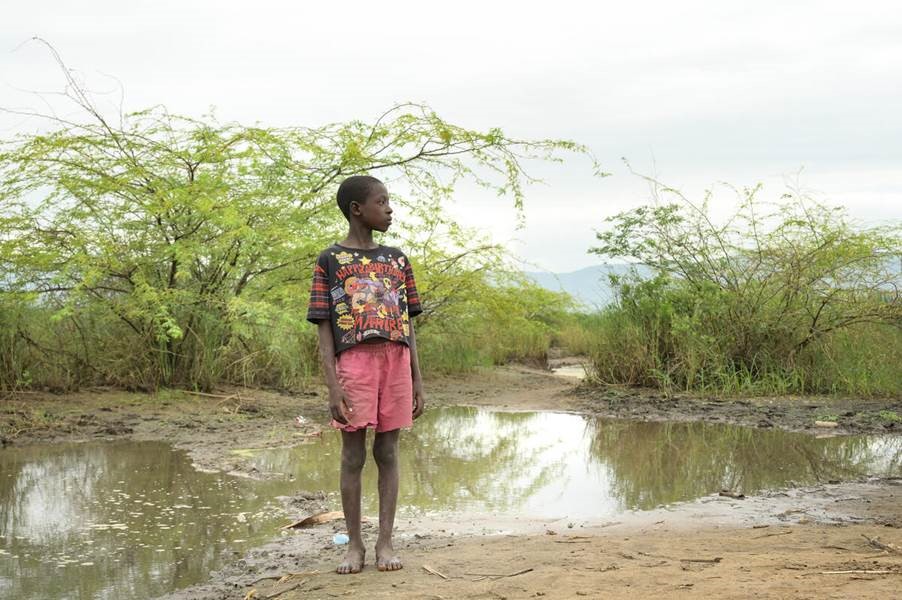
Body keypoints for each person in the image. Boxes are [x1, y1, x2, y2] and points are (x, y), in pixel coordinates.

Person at [306, 175, 425, 574]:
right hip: (353, 361)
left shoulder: (397, 259)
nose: (389, 209)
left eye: (388, 202)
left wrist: (418, 379)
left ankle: (385, 543)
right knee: (353, 454)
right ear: (358, 209)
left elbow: (407, 324)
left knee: (387, 452)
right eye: (382, 201)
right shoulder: (329, 260)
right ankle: (353, 545)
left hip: (395, 361)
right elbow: (323, 324)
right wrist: (333, 385)